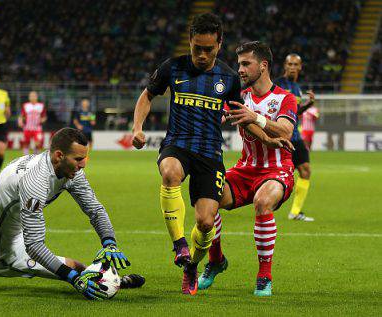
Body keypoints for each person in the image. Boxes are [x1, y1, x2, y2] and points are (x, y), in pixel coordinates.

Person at [132, 14, 288, 295]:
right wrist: (138, 128)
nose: (202, 55)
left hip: (209, 153)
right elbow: (146, 96)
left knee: (206, 222)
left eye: (209, 49)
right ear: (190, 42)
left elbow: (243, 117)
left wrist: (267, 138)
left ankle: (193, 263)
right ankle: (179, 243)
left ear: (219, 44)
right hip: (178, 144)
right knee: (170, 172)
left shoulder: (228, 78)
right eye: (196, 48)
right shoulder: (173, 67)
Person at [0, 128, 144, 300]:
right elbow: (34, 245)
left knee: (71, 266)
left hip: (12, 221)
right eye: (78, 159)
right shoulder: (36, 181)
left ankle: (108, 280)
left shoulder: (67, 170)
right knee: (7, 262)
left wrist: (109, 243)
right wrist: (73, 280)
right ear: (58, 155)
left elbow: (95, 209)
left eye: (85, 158)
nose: (83, 164)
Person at [198, 41, 297, 296]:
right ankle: (216, 260)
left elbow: (286, 130)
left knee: (263, 202)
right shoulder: (237, 97)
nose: (240, 69)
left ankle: (264, 276)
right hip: (245, 168)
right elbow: (217, 115)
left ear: (262, 66)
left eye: (245, 64)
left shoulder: (285, 98)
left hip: (277, 170)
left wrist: (257, 118)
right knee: (208, 199)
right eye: (239, 64)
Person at [274, 54, 316, 221]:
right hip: (282, 136)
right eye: (289, 64)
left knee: (305, 170)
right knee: (275, 174)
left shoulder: (296, 87)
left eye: (295, 64)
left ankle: (295, 212)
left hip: (296, 137)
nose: (292, 67)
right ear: (285, 65)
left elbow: (294, 112)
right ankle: (263, 203)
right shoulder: (277, 84)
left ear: (300, 67)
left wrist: (307, 105)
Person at [18, 91, 47, 155]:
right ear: (29, 97)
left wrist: (42, 120)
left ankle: (35, 156)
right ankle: (26, 157)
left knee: (38, 143)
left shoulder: (41, 106)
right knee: (26, 143)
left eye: (34, 96)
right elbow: (22, 115)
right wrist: (20, 121)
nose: (33, 97)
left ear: (37, 97)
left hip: (37, 128)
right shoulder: (26, 105)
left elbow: (44, 117)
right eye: (31, 96)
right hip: (27, 127)